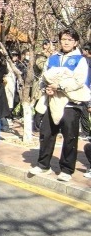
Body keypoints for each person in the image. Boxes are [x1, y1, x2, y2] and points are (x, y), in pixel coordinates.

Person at [29, 29, 90, 182]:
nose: (66, 42)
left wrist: (60, 86)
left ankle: (66, 169)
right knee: (46, 134)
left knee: (70, 137)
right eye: (63, 39)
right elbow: (43, 78)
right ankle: (43, 165)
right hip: (51, 102)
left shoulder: (80, 60)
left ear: (75, 42)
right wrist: (46, 89)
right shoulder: (53, 58)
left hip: (70, 104)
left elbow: (79, 81)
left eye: (70, 39)